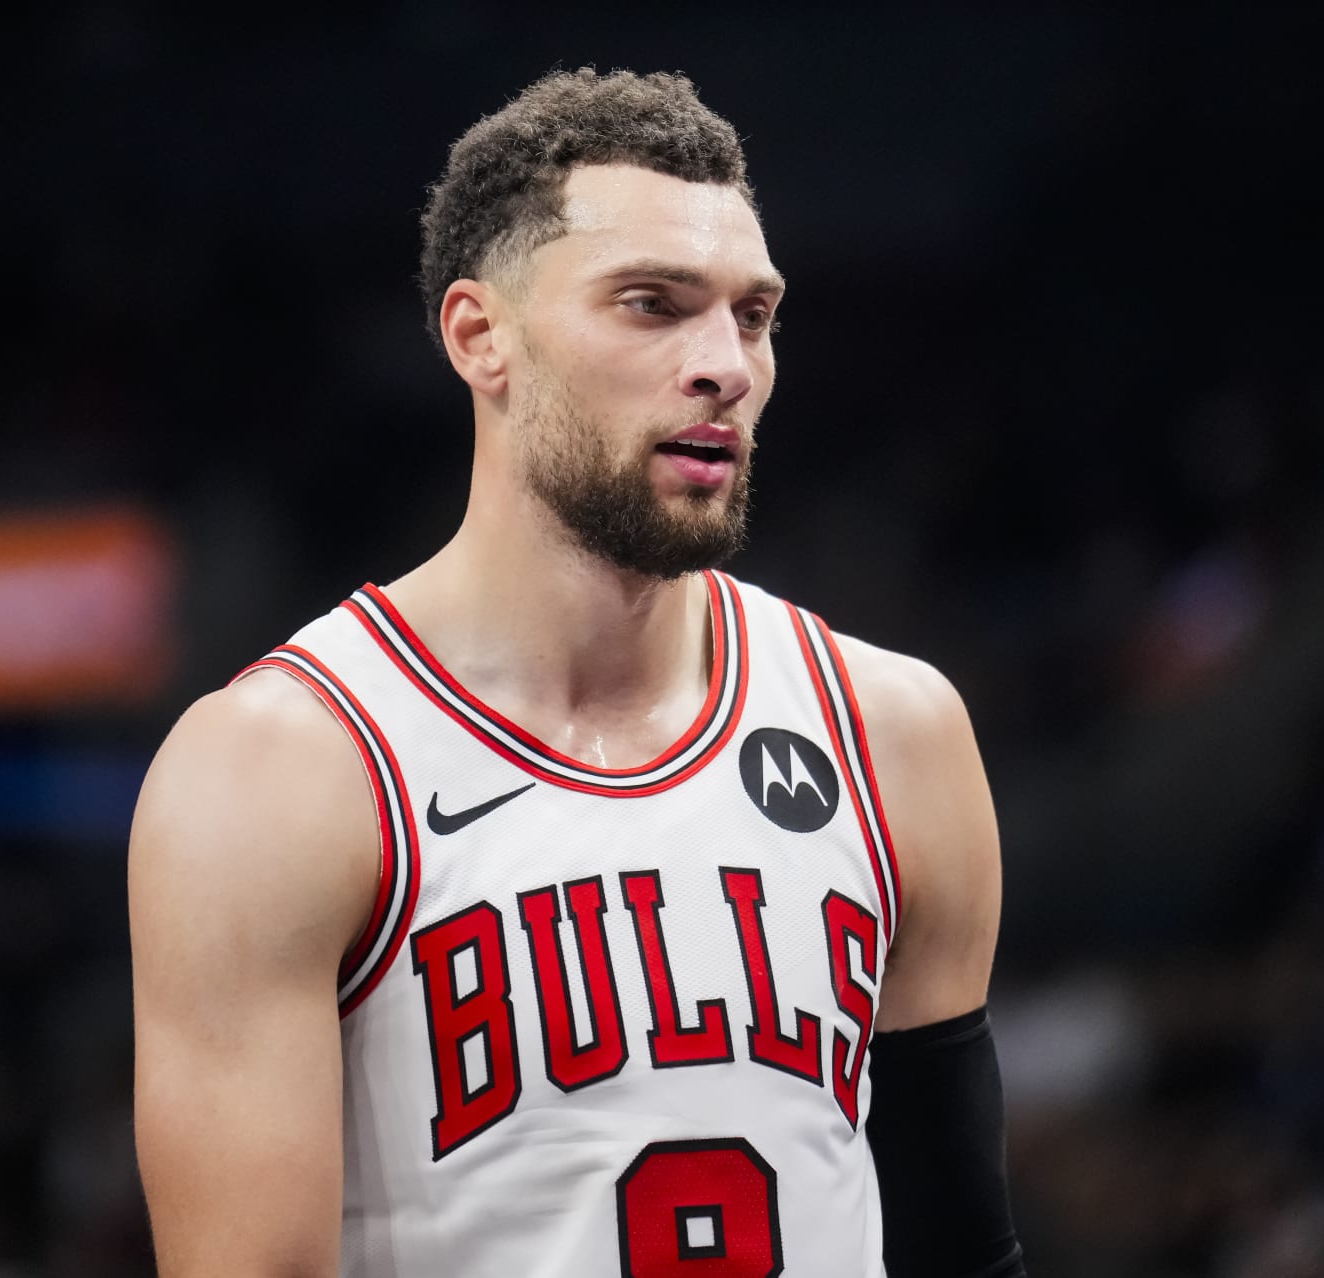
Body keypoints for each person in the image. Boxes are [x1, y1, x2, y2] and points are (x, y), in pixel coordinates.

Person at [129, 68, 1024, 1277]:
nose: (727, 365)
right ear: (478, 337)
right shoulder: (280, 770)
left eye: (752, 316)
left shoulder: (894, 731)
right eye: (654, 305)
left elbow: (961, 1255)